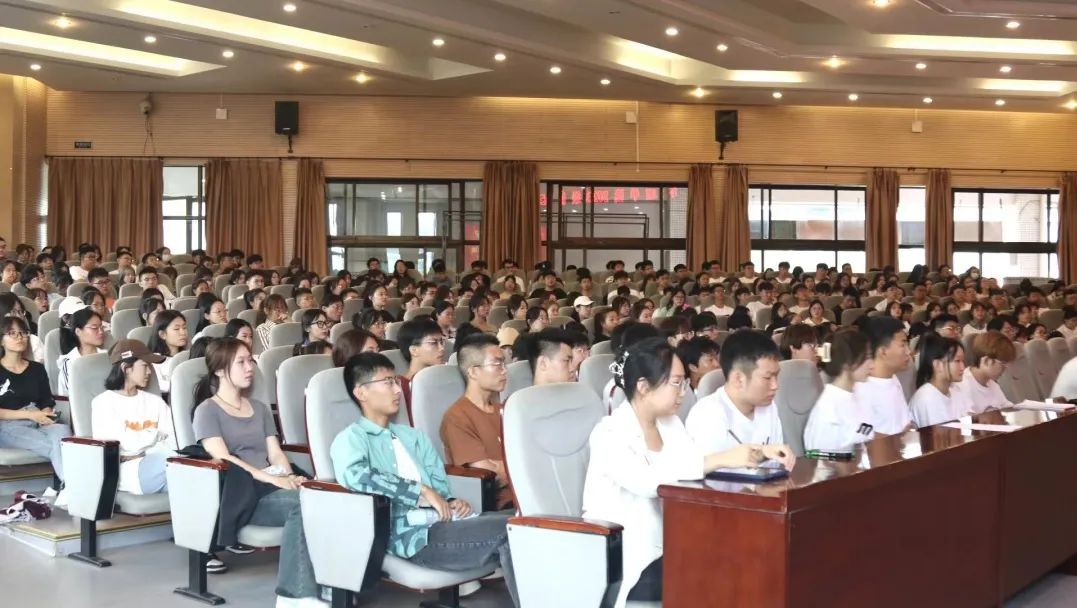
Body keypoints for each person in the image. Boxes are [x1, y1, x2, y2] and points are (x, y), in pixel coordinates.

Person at [583, 337, 793, 608]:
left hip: (675, 543)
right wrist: (722, 459)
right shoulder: (609, 433)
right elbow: (648, 482)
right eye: (676, 383)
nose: (684, 391)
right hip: (631, 553)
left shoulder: (670, 425)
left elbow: (693, 468)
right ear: (643, 387)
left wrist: (757, 454)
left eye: (684, 382)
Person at [331, 352, 519, 607]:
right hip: (411, 536)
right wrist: (419, 490)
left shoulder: (413, 437)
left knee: (525, 524)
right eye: (388, 382)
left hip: (443, 522)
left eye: (397, 381)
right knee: (512, 532)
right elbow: (357, 476)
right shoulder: (351, 439)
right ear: (361, 392)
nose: (398, 389)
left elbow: (439, 485)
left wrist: (450, 500)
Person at [191, 338, 318, 603]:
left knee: (323, 498)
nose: (250, 367)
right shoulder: (207, 410)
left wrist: (288, 476)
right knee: (303, 504)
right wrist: (273, 479)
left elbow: (275, 452)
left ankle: (329, 584)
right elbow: (224, 459)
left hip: (272, 483)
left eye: (250, 360)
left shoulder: (259, 408)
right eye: (241, 362)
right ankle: (294, 596)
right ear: (219, 370)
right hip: (245, 494)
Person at [91, 340, 177, 495]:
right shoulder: (103, 403)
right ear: (126, 368)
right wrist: (157, 436)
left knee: (193, 481)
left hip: (160, 466)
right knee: (179, 465)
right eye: (145, 366)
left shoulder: (155, 401)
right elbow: (123, 446)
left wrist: (143, 449)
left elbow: (174, 440)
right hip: (129, 472)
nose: (149, 372)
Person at [0, 316, 70, 501]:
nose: (19, 337)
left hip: (39, 420)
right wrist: (30, 415)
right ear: (1, 340)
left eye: (23, 333)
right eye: (12, 333)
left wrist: (46, 413)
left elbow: (46, 400)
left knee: (63, 432)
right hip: (8, 425)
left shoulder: (37, 369)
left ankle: (66, 489)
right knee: (57, 446)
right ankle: (71, 488)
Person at [440, 334, 514, 509]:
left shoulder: (506, 410)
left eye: (504, 364)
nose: (504, 370)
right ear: (473, 372)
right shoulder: (457, 417)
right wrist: (522, 465)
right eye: (496, 364)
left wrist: (503, 465)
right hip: (503, 506)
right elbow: (489, 475)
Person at [685, 330, 785, 453]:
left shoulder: (769, 407)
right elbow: (707, 464)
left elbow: (778, 459)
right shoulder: (706, 416)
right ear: (738, 379)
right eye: (767, 378)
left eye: (776, 376)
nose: (775, 386)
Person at [803, 329, 876, 451]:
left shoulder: (860, 392)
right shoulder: (828, 409)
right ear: (847, 363)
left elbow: (868, 433)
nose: (872, 365)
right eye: (866, 357)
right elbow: (818, 456)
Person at [853, 317, 913, 435]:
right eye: (903, 345)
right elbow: (860, 432)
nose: (909, 351)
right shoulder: (862, 388)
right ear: (883, 352)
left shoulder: (892, 378)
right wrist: (893, 439)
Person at [909, 333, 966, 428]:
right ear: (938, 365)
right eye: (957, 361)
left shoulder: (956, 390)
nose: (963, 367)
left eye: (963, 361)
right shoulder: (926, 398)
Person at [952, 330, 1015, 414]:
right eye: (1003, 363)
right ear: (987, 361)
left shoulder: (992, 384)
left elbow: (1007, 409)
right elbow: (969, 418)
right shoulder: (962, 385)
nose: (1006, 368)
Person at [396, 319, 446, 421]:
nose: (442, 348)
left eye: (441, 342)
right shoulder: (400, 388)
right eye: (433, 343)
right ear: (414, 350)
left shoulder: (445, 379)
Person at [56, 308, 108, 397]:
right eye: (94, 328)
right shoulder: (70, 362)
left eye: (101, 327)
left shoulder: (107, 357)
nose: (101, 332)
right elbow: (72, 396)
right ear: (78, 331)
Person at [147, 310, 188, 393]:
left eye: (184, 328)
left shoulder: (188, 355)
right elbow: (160, 385)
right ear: (162, 334)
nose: (183, 332)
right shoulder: (155, 361)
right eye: (177, 329)